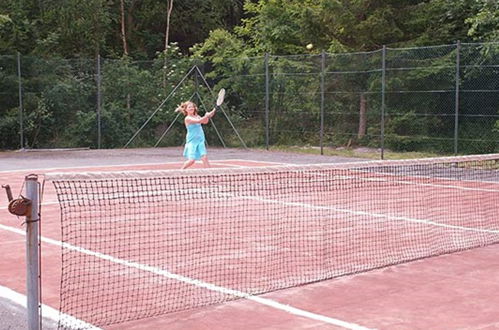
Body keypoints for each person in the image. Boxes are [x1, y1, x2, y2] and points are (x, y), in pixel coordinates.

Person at [175, 101, 216, 169]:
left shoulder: (197, 116)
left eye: (192, 107)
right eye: (189, 107)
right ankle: (180, 171)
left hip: (200, 140)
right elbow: (198, 121)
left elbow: (205, 122)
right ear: (186, 109)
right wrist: (206, 116)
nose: (191, 108)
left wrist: (209, 115)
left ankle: (210, 175)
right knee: (191, 160)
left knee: (204, 157)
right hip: (192, 141)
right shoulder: (187, 118)